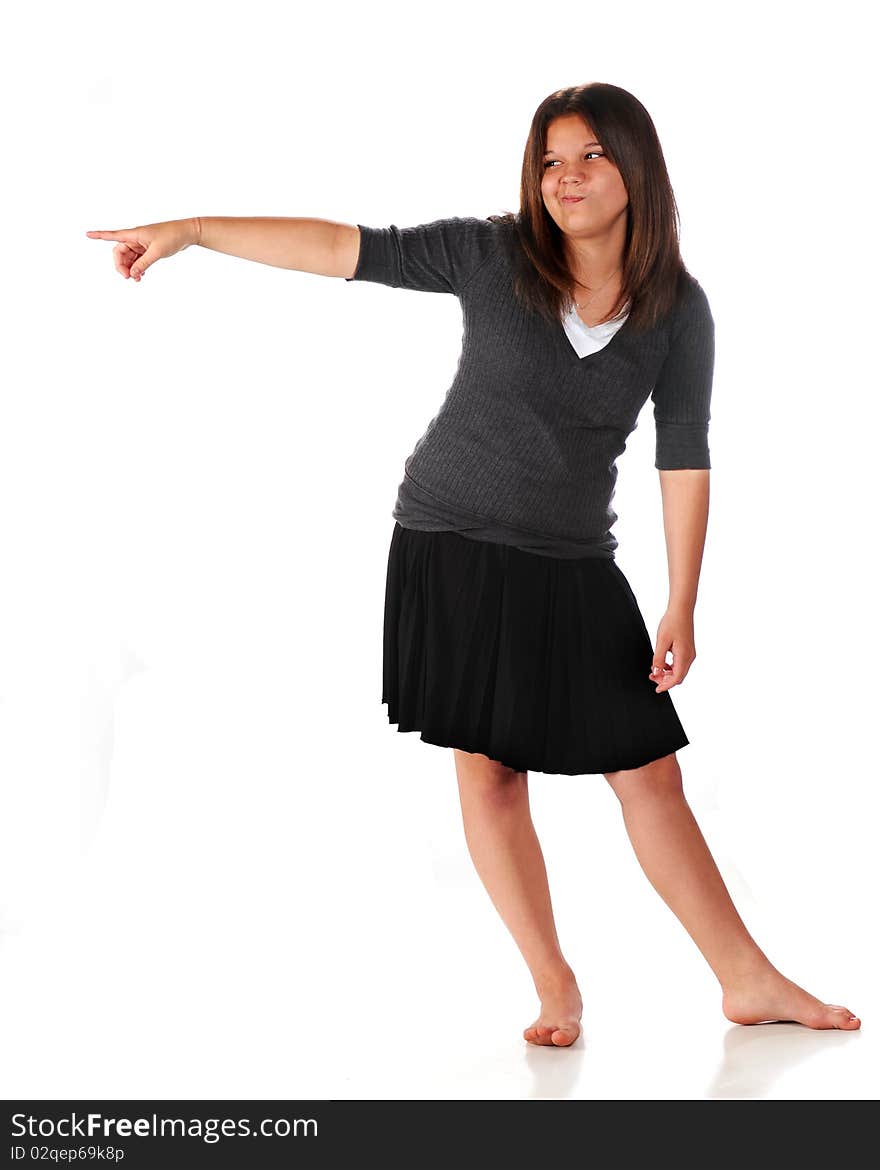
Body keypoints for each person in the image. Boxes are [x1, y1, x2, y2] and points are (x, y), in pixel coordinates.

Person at [86, 81, 860, 1047]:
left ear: (637, 169)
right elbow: (344, 249)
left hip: (574, 562)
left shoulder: (676, 310)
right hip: (449, 542)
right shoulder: (495, 254)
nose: (566, 177)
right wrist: (193, 231)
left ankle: (745, 977)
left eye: (590, 156)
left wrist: (682, 600)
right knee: (489, 775)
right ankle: (555, 988)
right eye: (549, 160)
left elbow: (684, 455)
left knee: (649, 772)